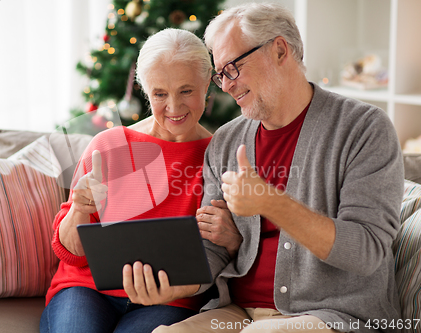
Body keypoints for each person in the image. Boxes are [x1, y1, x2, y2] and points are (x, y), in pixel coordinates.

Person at [124, 3, 404, 333]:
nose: (225, 85)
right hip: (238, 313)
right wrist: (173, 286)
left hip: (337, 315)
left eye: (232, 68)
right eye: (220, 74)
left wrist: (271, 203)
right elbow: (212, 247)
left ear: (280, 50)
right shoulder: (227, 140)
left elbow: (367, 251)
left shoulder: (363, 129)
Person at [40, 28, 217, 333]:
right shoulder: (108, 145)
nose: (173, 108)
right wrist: (80, 210)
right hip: (86, 290)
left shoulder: (217, 155)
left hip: (170, 300)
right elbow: (67, 251)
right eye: (160, 94)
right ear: (145, 91)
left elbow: (220, 256)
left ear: (207, 85)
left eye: (186, 91)